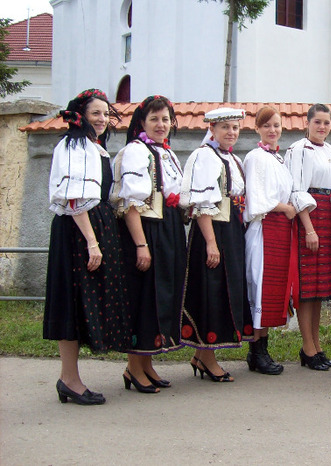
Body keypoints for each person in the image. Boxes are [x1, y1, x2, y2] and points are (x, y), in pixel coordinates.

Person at [44, 89, 129, 405]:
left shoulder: (95, 148)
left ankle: (70, 378)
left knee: (83, 303)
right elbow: (72, 197)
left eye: (106, 114)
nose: (103, 119)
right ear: (80, 115)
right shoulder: (74, 145)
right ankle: (69, 379)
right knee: (72, 302)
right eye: (96, 113)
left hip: (93, 228)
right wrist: (92, 242)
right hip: (78, 232)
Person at [111, 95, 186, 393]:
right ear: (142, 122)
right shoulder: (135, 152)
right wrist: (141, 245)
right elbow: (130, 203)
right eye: (154, 119)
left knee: (161, 296)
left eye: (165, 119)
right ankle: (133, 367)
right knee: (142, 297)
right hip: (145, 229)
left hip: (167, 227)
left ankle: (147, 363)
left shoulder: (168, 154)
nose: (161, 124)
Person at [179, 107, 252, 382]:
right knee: (212, 290)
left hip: (230, 229)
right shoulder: (204, 156)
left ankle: (201, 356)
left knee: (224, 289)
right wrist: (211, 243)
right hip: (213, 230)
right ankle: (208, 358)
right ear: (212, 129)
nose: (231, 132)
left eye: (235, 127)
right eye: (225, 128)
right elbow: (201, 205)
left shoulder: (230, 158)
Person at [284, 104, 331, 371]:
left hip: (329, 217)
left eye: (326, 123)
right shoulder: (298, 150)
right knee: (307, 289)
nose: (322, 127)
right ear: (307, 123)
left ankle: (317, 345)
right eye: (317, 122)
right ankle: (307, 347)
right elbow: (296, 189)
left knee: (320, 290)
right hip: (310, 217)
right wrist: (308, 228)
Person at [243, 105, 294, 375]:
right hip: (263, 228)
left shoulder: (278, 159)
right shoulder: (255, 157)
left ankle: (264, 347)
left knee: (272, 290)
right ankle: (256, 351)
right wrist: (285, 208)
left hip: (279, 231)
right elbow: (256, 198)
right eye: (267, 126)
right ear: (257, 129)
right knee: (260, 288)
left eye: (276, 125)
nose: (272, 130)